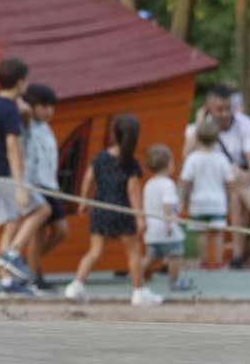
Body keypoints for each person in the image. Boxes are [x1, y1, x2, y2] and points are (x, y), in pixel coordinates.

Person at [65, 115, 162, 306]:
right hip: (122, 212)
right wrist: (139, 218)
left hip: (101, 210)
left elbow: (88, 178)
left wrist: (84, 201)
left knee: (94, 252)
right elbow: (133, 192)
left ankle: (76, 285)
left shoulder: (100, 157)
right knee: (133, 253)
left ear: (112, 134)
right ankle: (139, 292)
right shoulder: (131, 164)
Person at [183, 85, 250, 268]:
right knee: (234, 179)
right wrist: (200, 124)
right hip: (212, 187)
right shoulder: (201, 129)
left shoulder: (243, 124)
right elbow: (186, 158)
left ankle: (237, 255)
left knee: (236, 190)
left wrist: (249, 173)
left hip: (240, 184)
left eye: (228, 108)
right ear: (209, 108)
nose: (225, 114)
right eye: (219, 109)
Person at [0, 59, 51, 293]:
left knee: (11, 223)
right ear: (20, 82)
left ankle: (6, 280)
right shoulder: (10, 109)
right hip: (4, 175)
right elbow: (13, 147)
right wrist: (20, 185)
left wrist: (26, 116)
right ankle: (12, 254)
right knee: (41, 210)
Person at [22, 83, 67, 291]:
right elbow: (19, 108)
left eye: (51, 106)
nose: (48, 111)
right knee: (38, 234)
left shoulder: (47, 128)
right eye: (43, 106)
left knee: (61, 231)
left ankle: (29, 266)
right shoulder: (27, 124)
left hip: (50, 185)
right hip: (35, 184)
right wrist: (26, 105)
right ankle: (34, 276)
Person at [179, 118, 236, 269]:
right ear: (217, 138)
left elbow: (186, 182)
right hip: (218, 202)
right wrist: (230, 201)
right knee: (217, 233)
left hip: (198, 201)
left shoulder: (193, 159)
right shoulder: (222, 159)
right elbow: (229, 182)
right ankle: (217, 261)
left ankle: (204, 261)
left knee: (202, 233)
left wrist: (183, 200)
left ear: (197, 137)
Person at [141, 144, 192, 290]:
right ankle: (174, 282)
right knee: (175, 254)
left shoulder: (149, 184)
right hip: (166, 227)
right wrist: (169, 224)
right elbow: (167, 206)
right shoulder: (167, 184)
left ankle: (138, 274)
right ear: (169, 164)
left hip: (152, 228)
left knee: (152, 256)